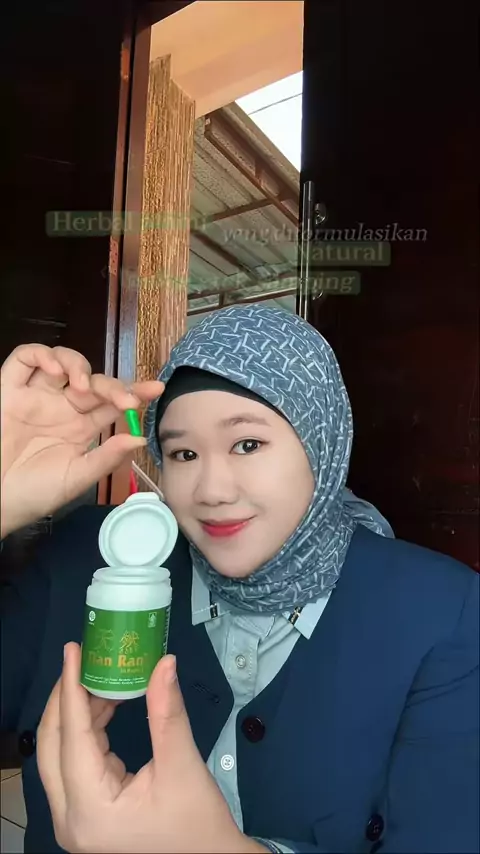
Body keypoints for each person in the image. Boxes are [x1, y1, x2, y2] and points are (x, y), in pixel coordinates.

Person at [1, 307, 478, 853]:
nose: (211, 490)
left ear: (322, 442)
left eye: (247, 444)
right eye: (183, 453)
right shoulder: (86, 558)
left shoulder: (440, 611)